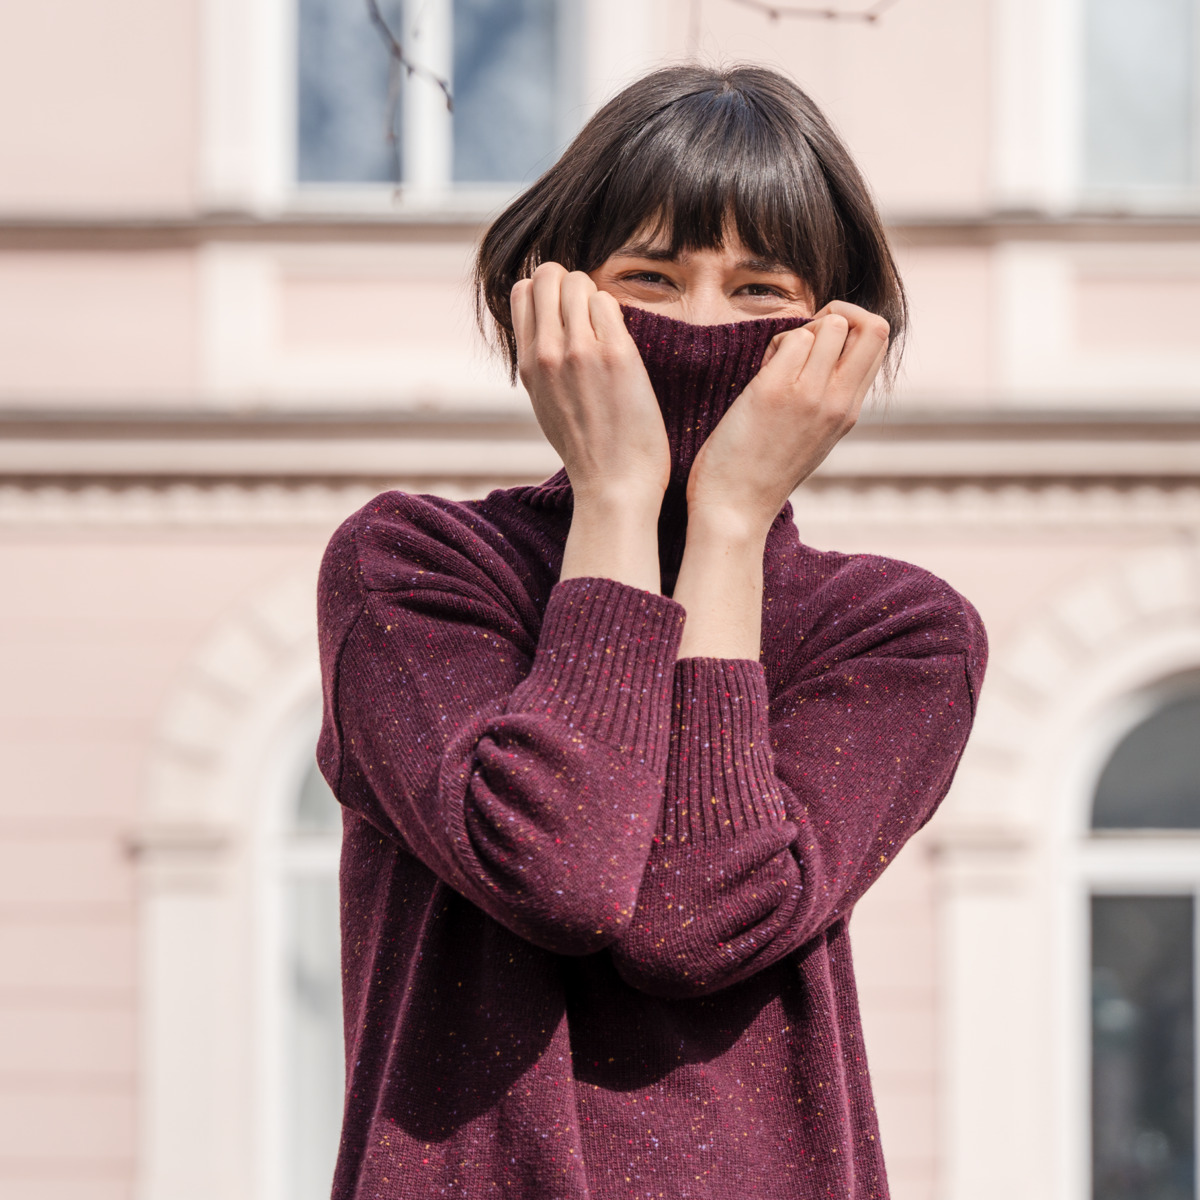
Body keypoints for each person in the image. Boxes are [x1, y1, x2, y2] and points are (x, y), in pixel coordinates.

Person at [316, 64, 987, 1199]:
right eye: (650, 277)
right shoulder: (413, 572)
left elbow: (694, 920)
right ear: (552, 306)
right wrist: (619, 499)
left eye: (761, 289)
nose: (700, 325)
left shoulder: (896, 636)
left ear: (841, 338)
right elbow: (562, 876)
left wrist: (729, 522)